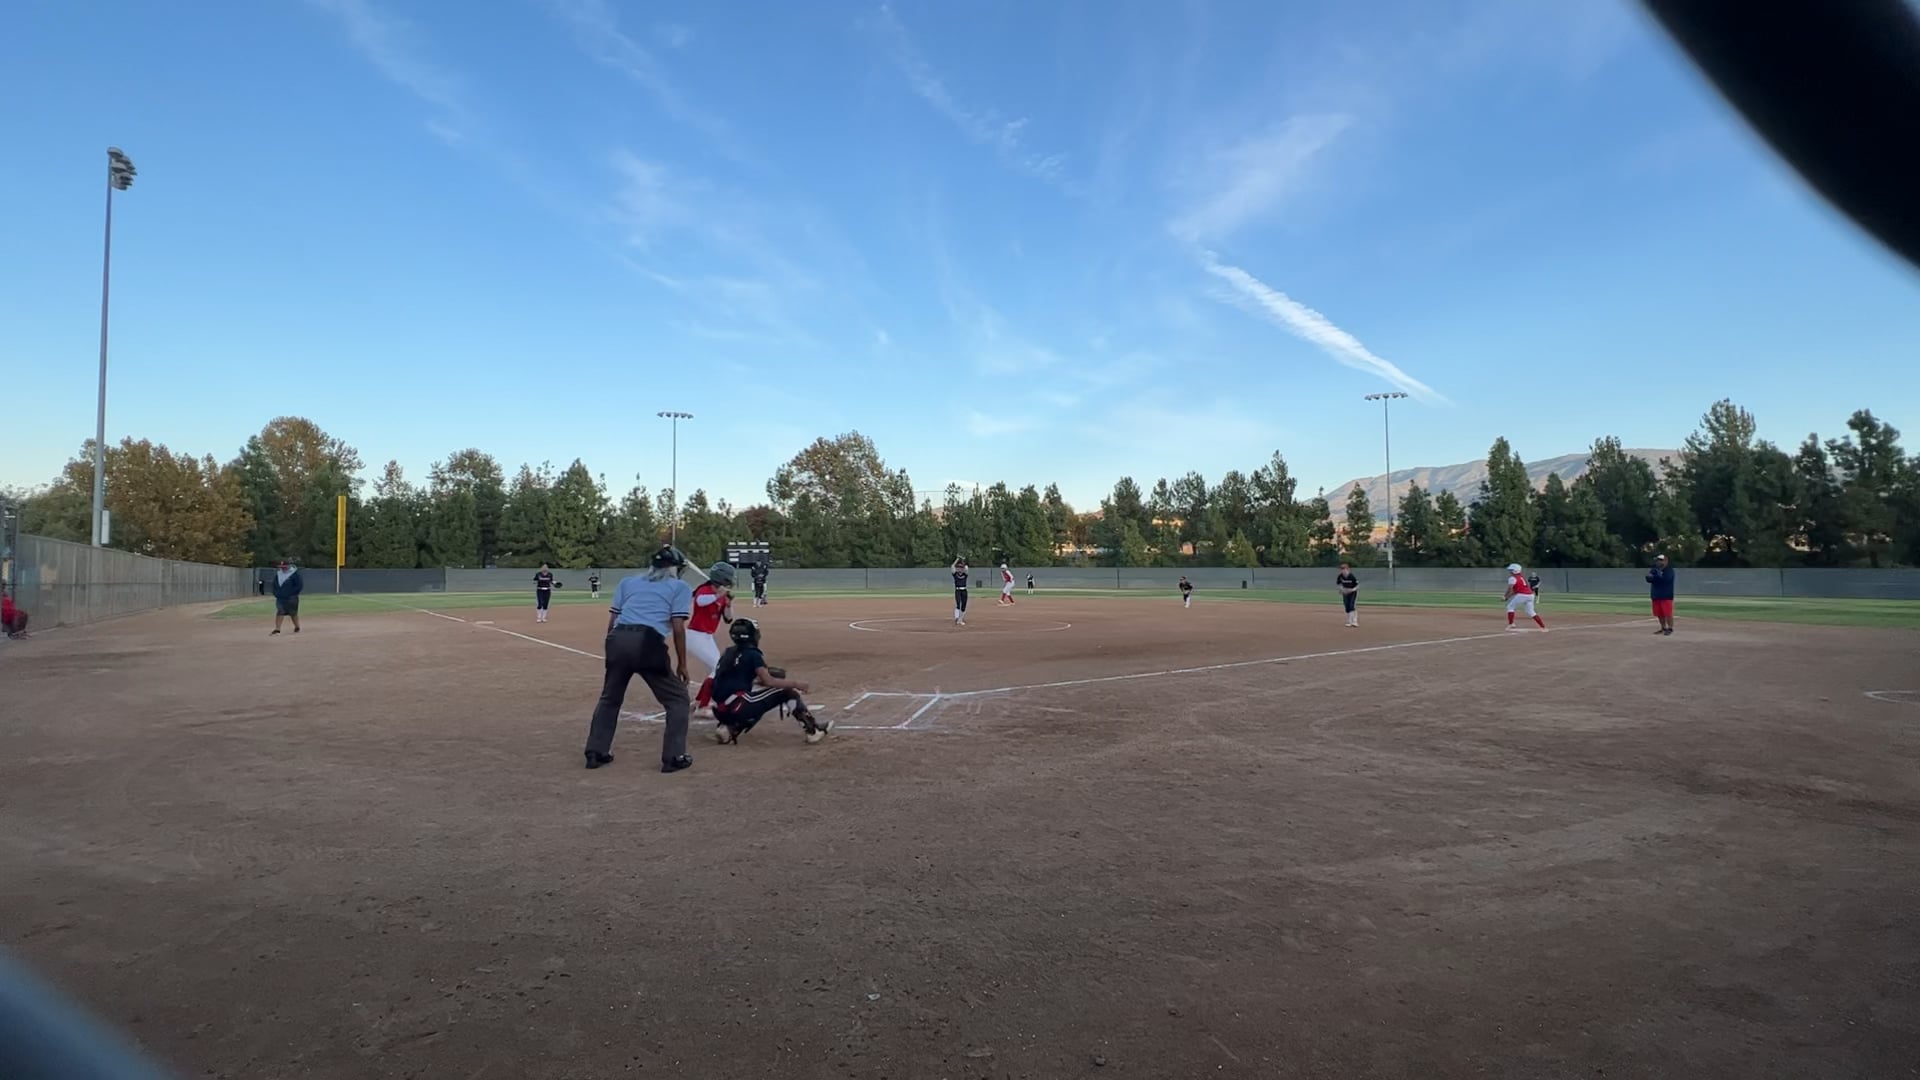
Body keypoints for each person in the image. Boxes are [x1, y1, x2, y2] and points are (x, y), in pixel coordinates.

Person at [583, 544, 696, 774]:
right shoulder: (680, 587)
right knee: (677, 699)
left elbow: (613, 621)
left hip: (618, 638)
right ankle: (674, 757)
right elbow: (678, 627)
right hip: (647, 641)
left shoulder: (628, 582)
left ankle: (596, 752)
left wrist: (612, 651)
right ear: (674, 568)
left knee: (610, 698)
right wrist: (682, 664)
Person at [708, 618, 830, 745]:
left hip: (721, 711)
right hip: (737, 708)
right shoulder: (753, 654)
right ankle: (813, 730)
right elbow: (768, 681)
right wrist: (796, 684)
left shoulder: (728, 652)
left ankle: (729, 728)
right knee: (787, 692)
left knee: (755, 697)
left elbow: (736, 677)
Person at [689, 562, 737, 718]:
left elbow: (728, 619)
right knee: (719, 668)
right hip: (695, 635)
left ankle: (698, 701)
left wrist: (728, 604)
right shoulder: (705, 589)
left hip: (706, 636)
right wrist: (718, 595)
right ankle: (703, 707)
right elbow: (699, 601)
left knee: (718, 668)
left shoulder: (721, 595)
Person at [1503, 562, 1547, 632]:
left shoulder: (1512, 578)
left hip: (1522, 595)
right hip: (1530, 595)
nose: (1510, 571)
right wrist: (1507, 597)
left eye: (1511, 570)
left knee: (1510, 607)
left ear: (1515, 571)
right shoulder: (1521, 577)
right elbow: (1515, 591)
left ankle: (1511, 624)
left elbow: (1510, 589)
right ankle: (1543, 627)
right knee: (1531, 612)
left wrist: (1506, 596)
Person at [1647, 554, 1677, 635]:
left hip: (1666, 595)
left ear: (1666, 561)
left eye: (1661, 560)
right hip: (1656, 595)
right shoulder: (1654, 569)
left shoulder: (1669, 570)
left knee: (1667, 613)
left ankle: (1670, 628)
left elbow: (1665, 579)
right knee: (1659, 614)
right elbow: (1648, 578)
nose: (1658, 562)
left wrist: (1655, 578)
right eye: (1658, 560)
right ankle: (1663, 627)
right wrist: (1656, 577)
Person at [271, 560, 303, 635]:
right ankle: (277, 629)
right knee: (280, 611)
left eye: (285, 567)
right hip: (281, 597)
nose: (283, 568)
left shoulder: (294, 574)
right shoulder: (278, 574)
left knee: (293, 613)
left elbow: (299, 585)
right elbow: (274, 585)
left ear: (289, 566)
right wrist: (276, 593)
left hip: (292, 597)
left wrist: (292, 594)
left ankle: (297, 626)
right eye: (282, 567)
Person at [1336, 563, 1360, 627]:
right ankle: (1349, 620)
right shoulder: (1340, 576)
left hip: (1353, 592)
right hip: (1345, 592)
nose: (1343, 570)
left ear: (1348, 569)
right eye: (1342, 569)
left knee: (1351, 605)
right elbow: (1339, 584)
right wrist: (1341, 589)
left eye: (1344, 569)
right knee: (1347, 606)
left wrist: (1352, 590)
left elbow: (1357, 586)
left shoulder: (1351, 576)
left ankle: (1353, 621)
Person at [951, 558, 970, 626]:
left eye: (961, 567)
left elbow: (966, 568)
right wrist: (957, 559)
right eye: (958, 567)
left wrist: (963, 561)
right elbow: (952, 566)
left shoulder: (965, 574)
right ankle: (957, 618)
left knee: (964, 605)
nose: (960, 569)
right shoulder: (955, 574)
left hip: (964, 590)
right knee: (958, 604)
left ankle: (961, 619)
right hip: (958, 590)